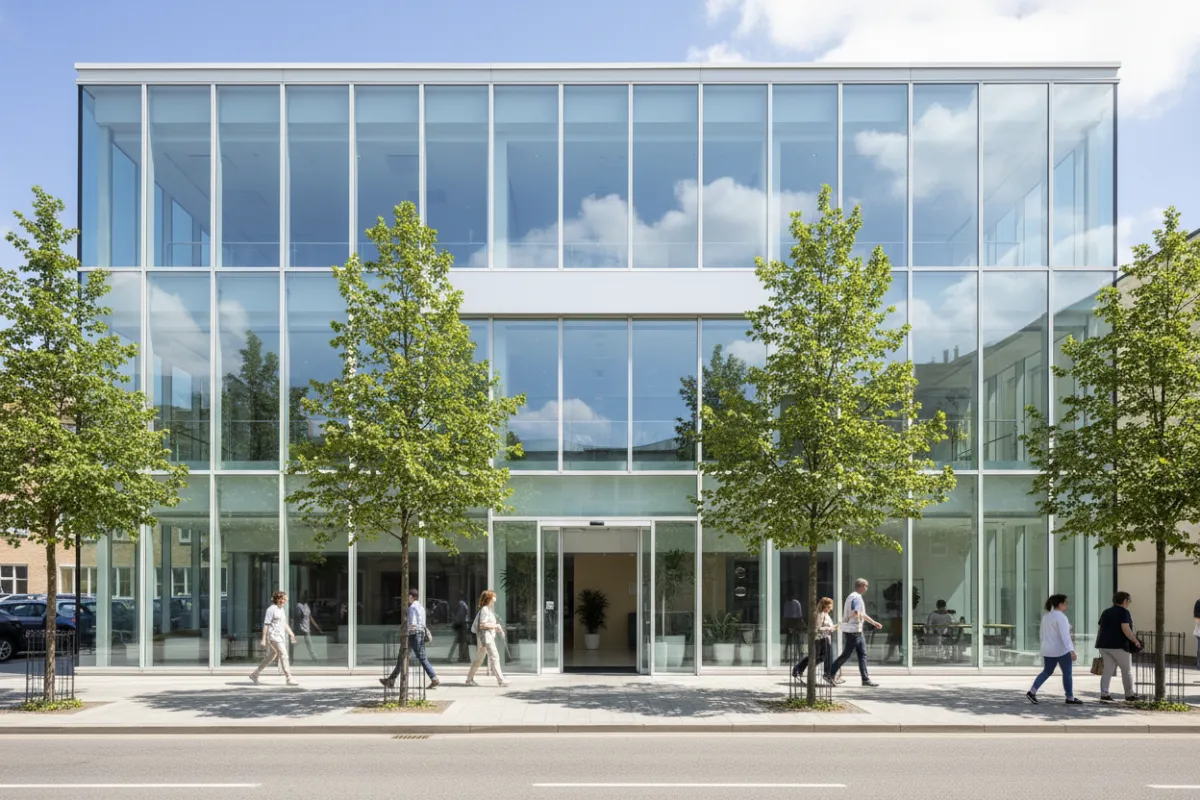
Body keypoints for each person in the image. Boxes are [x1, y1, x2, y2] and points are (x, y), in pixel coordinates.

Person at [1026, 594, 1082, 705]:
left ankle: (1032, 691)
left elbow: (1042, 633)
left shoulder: (1046, 616)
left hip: (1048, 649)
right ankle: (1069, 697)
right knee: (1067, 673)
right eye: (1065, 603)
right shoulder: (1061, 617)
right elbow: (1065, 635)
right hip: (1061, 650)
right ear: (1060, 604)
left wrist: (1043, 646)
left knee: (1047, 671)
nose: (1067, 605)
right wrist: (1071, 650)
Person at [380, 588, 440, 690]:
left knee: (417, 657)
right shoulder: (421, 607)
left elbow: (412, 625)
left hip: (413, 635)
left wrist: (404, 633)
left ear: (412, 597)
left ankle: (434, 678)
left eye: (408, 596)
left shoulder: (412, 608)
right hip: (419, 634)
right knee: (403, 657)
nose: (406, 598)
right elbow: (422, 623)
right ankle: (391, 680)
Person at [828, 578, 883, 687]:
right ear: (861, 586)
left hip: (856, 631)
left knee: (862, 654)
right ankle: (830, 674)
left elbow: (861, 613)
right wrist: (855, 618)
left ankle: (865, 679)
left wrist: (873, 622)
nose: (866, 588)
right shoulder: (857, 598)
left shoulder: (851, 596)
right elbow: (857, 612)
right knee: (846, 655)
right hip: (854, 631)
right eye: (866, 586)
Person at [1096, 590, 1142, 702]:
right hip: (1119, 646)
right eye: (1129, 601)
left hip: (1104, 645)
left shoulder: (1106, 612)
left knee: (1107, 670)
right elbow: (1126, 628)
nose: (1129, 603)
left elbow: (1100, 628)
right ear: (1125, 601)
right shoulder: (1124, 612)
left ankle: (1104, 693)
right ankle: (1129, 694)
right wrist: (1135, 641)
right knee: (1126, 670)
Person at [249, 590, 298, 686]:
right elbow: (266, 625)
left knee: (271, 656)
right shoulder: (271, 609)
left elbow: (284, 624)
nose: (286, 599)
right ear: (279, 599)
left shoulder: (282, 610)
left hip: (280, 636)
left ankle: (255, 674)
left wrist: (291, 634)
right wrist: (263, 639)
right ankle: (288, 678)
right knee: (284, 655)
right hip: (273, 637)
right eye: (284, 598)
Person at [466, 589, 508, 687]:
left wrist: (497, 626)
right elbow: (482, 625)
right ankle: (501, 680)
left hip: (484, 638)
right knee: (495, 657)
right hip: (486, 638)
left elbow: (486, 624)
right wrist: (496, 626)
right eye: (493, 596)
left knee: (479, 660)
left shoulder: (488, 609)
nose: (495, 598)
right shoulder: (485, 609)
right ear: (489, 598)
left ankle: (469, 679)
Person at [792, 597, 836, 682]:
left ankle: (799, 668)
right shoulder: (819, 614)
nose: (830, 609)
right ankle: (826, 674)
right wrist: (830, 628)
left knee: (819, 657)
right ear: (824, 606)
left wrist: (832, 627)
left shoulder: (825, 614)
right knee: (817, 657)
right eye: (828, 607)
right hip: (819, 639)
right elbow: (817, 628)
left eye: (830, 607)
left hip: (825, 638)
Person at [293, 594, 323, 661]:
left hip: (306, 628)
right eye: (305, 598)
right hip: (300, 628)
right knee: (298, 643)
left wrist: (317, 627)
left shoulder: (306, 605)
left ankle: (315, 658)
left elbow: (310, 617)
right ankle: (315, 658)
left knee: (307, 643)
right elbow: (298, 616)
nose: (306, 599)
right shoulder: (298, 605)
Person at [450, 594, 471, 663]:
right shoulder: (463, 605)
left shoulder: (461, 605)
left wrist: (455, 623)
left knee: (463, 642)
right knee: (463, 642)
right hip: (463, 625)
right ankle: (463, 657)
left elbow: (460, 616)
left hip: (462, 625)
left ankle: (464, 657)